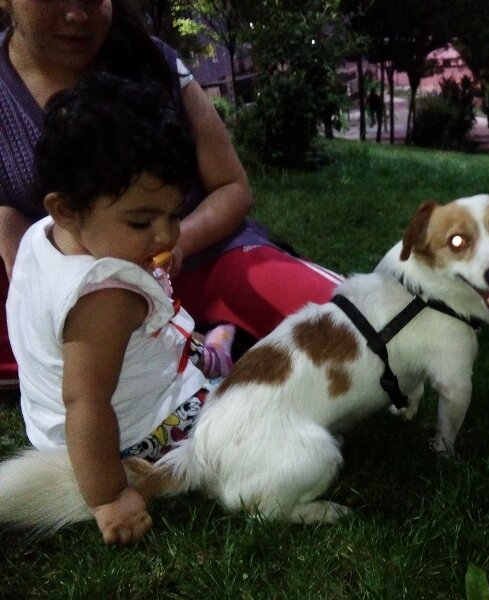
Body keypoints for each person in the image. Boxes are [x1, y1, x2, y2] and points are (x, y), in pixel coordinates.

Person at [0, 0, 341, 382]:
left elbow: (232, 187)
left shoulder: (152, 59)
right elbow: (7, 219)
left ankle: (212, 332)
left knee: (347, 326)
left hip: (200, 259)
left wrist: (172, 247)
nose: (77, 14)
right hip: (83, 287)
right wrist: (50, 301)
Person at [7, 71, 232, 545]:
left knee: (210, 347)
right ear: (67, 209)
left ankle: (204, 354)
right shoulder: (105, 297)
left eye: (173, 214)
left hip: (65, 423)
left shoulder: (45, 236)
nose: (167, 236)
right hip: (128, 434)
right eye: (141, 220)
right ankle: (208, 370)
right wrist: (108, 495)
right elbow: (85, 402)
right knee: (247, 403)